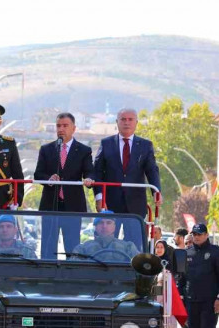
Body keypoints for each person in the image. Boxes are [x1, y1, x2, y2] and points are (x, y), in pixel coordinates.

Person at [90, 108, 161, 243]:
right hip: (110, 204)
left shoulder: (145, 145)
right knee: (106, 242)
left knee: (135, 243)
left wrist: (156, 191)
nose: (126, 123)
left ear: (136, 123)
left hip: (136, 204)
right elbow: (97, 172)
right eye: (123, 119)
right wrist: (99, 197)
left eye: (130, 119)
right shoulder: (106, 143)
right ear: (117, 122)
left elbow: (152, 170)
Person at [34, 112, 94, 258]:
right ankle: (47, 276)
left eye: (65, 126)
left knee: (72, 247)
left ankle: (71, 276)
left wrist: (89, 179)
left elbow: (90, 172)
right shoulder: (46, 150)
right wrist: (48, 179)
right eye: (58, 126)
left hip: (72, 207)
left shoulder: (84, 151)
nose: (61, 129)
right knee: (48, 246)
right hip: (50, 205)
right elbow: (38, 175)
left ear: (74, 128)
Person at [71, 211, 139, 262]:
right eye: (101, 223)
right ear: (96, 227)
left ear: (114, 226)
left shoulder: (128, 247)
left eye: (109, 223)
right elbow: (74, 269)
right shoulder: (82, 249)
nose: (104, 226)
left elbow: (140, 266)